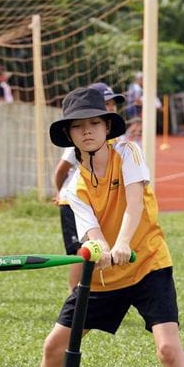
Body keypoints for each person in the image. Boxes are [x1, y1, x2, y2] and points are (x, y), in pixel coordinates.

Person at [0, 88, 184, 367]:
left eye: (95, 123)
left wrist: (122, 244)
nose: (87, 132)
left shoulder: (127, 153)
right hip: (107, 277)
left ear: (106, 126)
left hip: (147, 263)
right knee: (55, 346)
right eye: (78, 126)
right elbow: (92, 233)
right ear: (69, 135)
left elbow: (133, 205)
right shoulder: (76, 186)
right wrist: (98, 251)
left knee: (167, 349)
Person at [52, 81, 125, 292]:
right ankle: (75, 292)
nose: (111, 108)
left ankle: (90, 289)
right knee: (81, 250)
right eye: (107, 103)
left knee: (96, 246)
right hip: (72, 199)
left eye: (113, 104)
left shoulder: (116, 143)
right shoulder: (83, 138)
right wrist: (60, 192)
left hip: (95, 199)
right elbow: (61, 170)